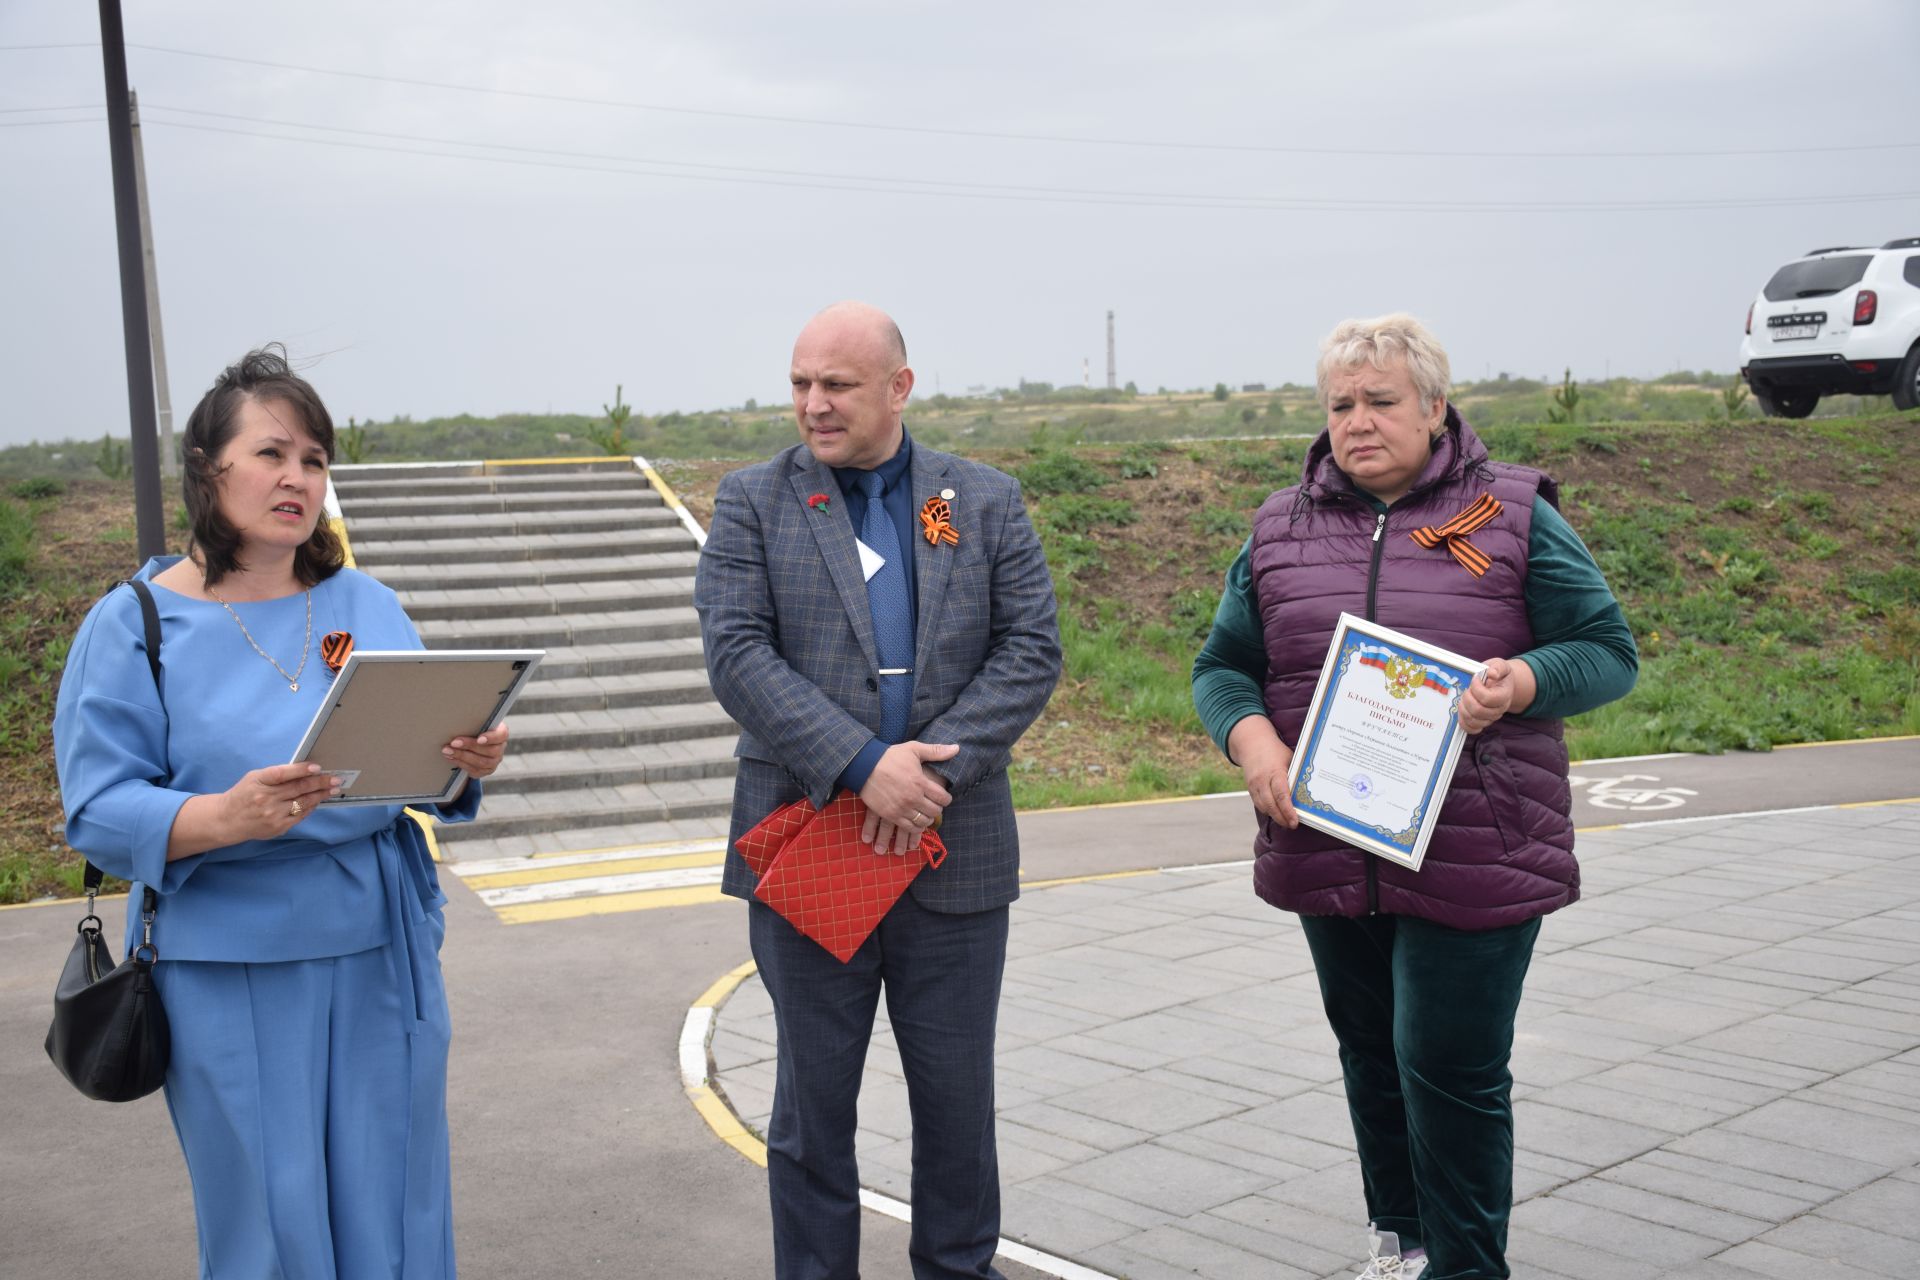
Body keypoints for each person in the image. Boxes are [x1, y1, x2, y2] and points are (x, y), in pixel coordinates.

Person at [1191, 314, 1637, 1280]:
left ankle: (1470, 1268)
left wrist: (1519, 683)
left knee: (1450, 1068)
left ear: (1435, 408)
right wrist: (1252, 739)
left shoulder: (1513, 514)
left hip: (1477, 846)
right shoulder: (1279, 527)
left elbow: (1608, 653)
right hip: (1327, 840)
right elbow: (1223, 666)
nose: (1357, 422)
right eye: (1340, 404)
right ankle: (1401, 1245)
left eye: (1381, 402)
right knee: (1373, 1059)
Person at [54, 347, 509, 1278]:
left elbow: (421, 775)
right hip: (228, 958)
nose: (296, 478)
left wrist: (463, 762)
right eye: (271, 454)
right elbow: (98, 808)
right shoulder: (135, 621)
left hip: (383, 945)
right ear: (208, 469)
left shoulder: (367, 601)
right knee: (270, 1213)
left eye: (313, 459)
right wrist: (224, 817)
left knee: (397, 1198)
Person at [695, 301, 1061, 1279]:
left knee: (956, 1108)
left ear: (899, 388)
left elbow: (1031, 649)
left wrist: (930, 770)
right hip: (811, 846)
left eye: (838, 386)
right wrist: (865, 765)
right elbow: (737, 654)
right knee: (812, 1110)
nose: (813, 404)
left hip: (955, 851)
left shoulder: (982, 500)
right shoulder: (751, 501)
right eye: (801, 384)